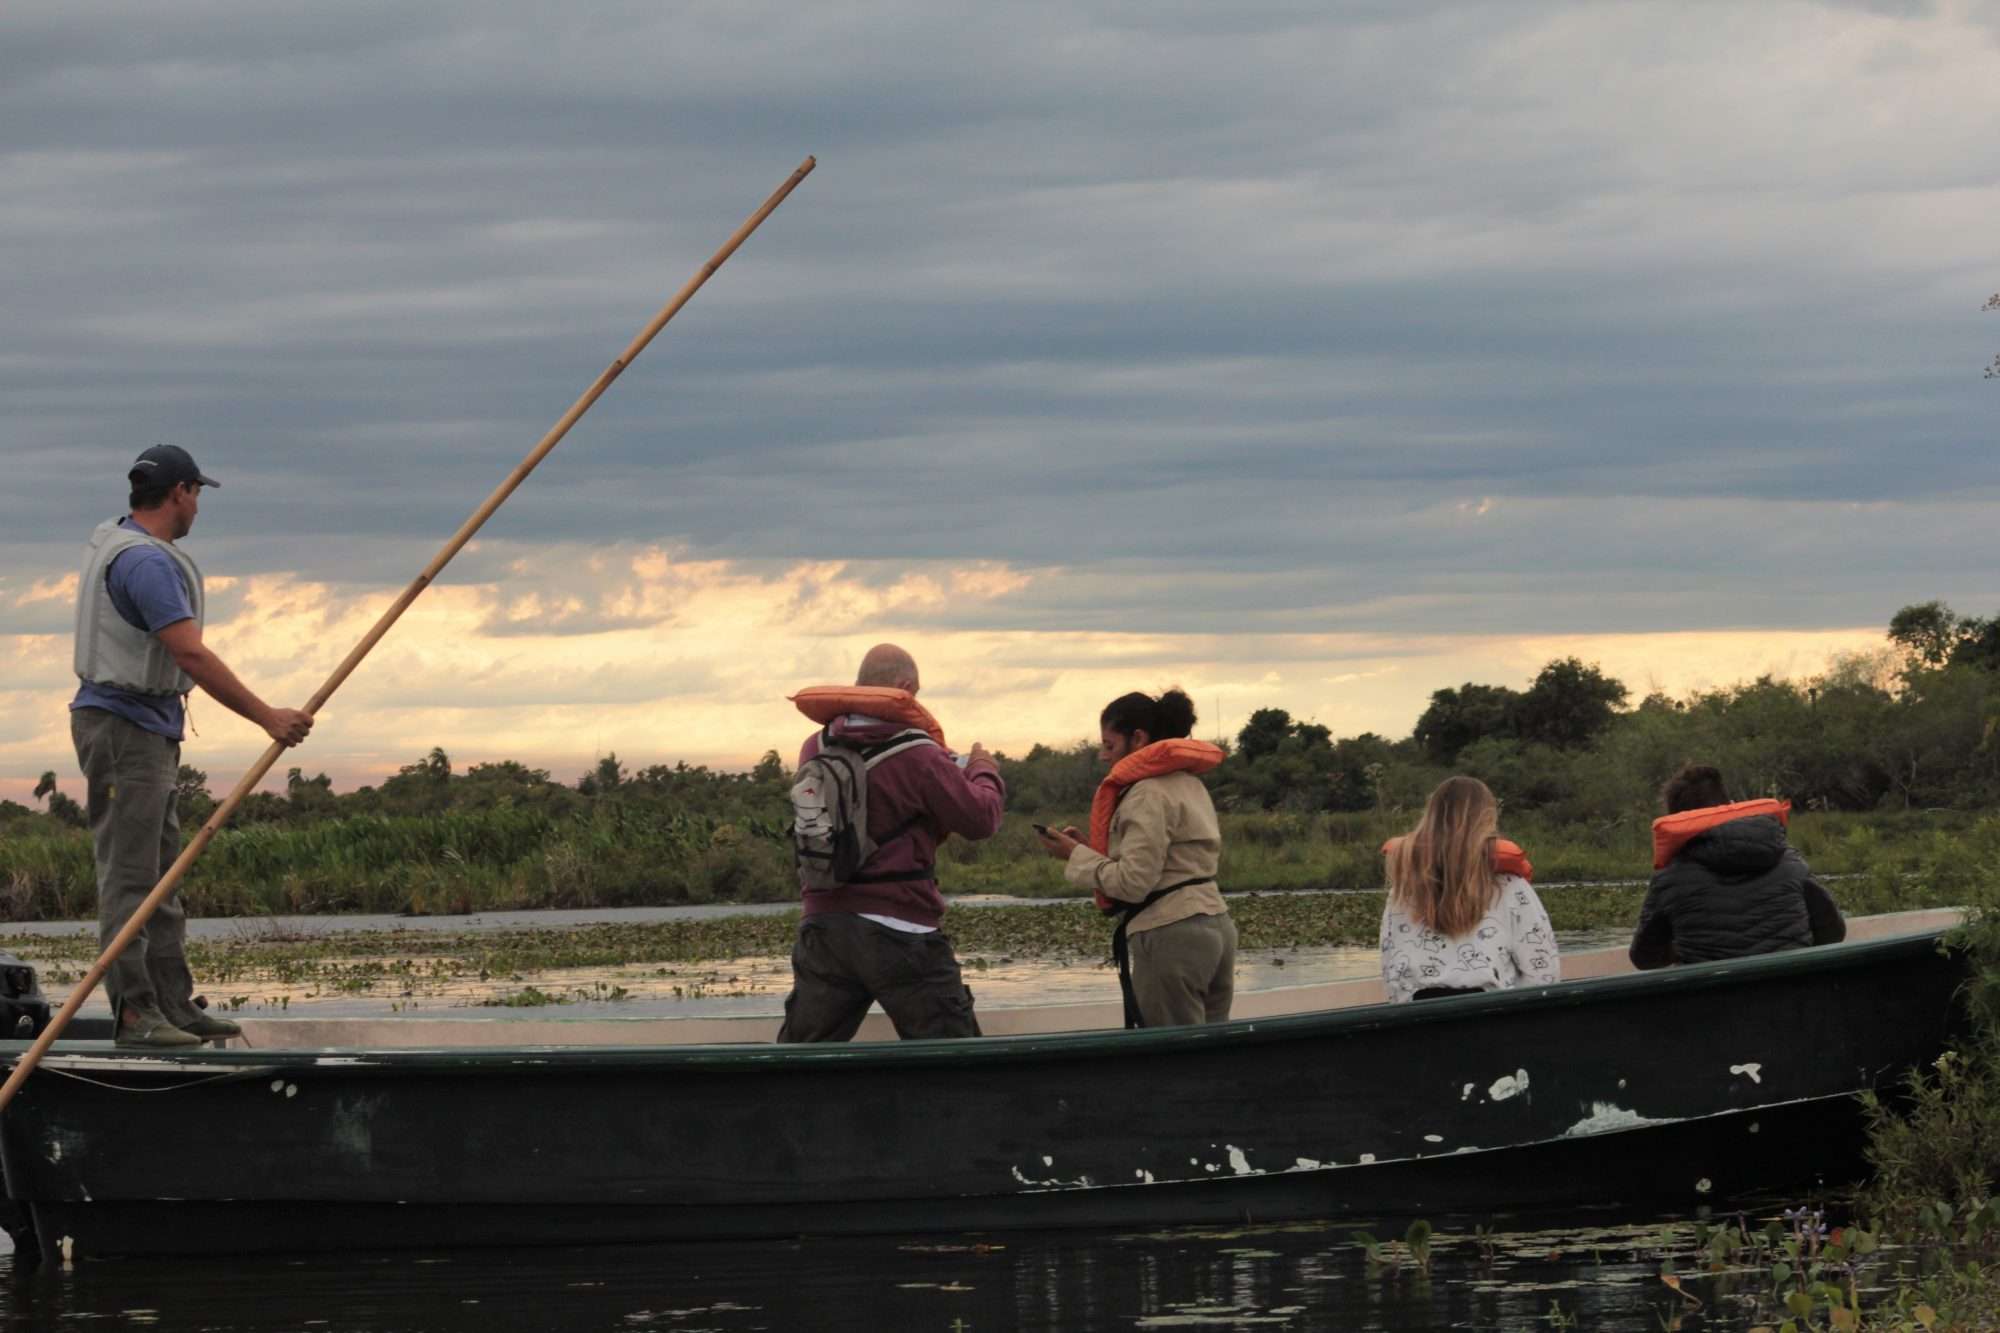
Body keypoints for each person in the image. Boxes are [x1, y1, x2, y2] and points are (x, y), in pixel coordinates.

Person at [70, 445, 314, 1048]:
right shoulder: (144, 563)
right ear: (179, 492)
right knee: (132, 879)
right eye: (197, 494)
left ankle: (173, 1006)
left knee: (162, 877)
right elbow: (190, 653)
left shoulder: (118, 538)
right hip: (123, 729)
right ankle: (135, 1014)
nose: (198, 506)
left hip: (147, 727)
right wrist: (267, 717)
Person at [776, 643, 1004, 1042]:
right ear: (904, 688)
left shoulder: (816, 746)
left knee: (803, 1059)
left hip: (823, 928)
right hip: (901, 929)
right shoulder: (919, 752)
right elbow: (981, 819)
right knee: (955, 1058)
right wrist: (983, 769)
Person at [1038, 688, 1235, 1028]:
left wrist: (1075, 857)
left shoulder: (1147, 792)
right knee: (1210, 1051)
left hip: (1172, 933)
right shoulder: (1189, 784)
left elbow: (1132, 884)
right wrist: (1086, 851)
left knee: (1174, 1057)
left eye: (1109, 745)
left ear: (1138, 738)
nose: (1102, 755)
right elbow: (1171, 863)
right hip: (1216, 925)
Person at [1630, 763, 1845, 969]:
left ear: (1678, 822)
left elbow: (1644, 958)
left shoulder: (1670, 878)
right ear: (1730, 805)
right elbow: (1833, 933)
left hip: (1711, 1003)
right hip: (1793, 998)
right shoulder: (1789, 860)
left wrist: (1679, 949)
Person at [1379, 776, 1558, 1003]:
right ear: (1487, 818)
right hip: (1492, 1020)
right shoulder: (1510, 886)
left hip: (1420, 1024)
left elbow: (1391, 972)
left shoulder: (1402, 891)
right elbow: (1544, 973)